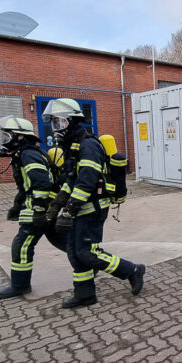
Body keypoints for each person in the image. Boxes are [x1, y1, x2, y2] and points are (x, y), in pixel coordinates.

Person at [43, 98, 145, 308]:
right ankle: (84, 294)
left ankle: (132, 270)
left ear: (71, 121)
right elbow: (70, 180)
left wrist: (69, 210)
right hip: (80, 208)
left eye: (59, 123)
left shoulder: (88, 145)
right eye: (53, 123)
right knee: (74, 252)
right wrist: (56, 204)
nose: (56, 128)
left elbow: (87, 182)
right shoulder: (72, 146)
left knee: (87, 252)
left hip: (92, 208)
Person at [0, 116, 54, 299]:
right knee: (66, 242)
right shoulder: (24, 154)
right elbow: (26, 185)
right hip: (45, 207)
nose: (5, 140)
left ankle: (19, 285)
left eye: (7, 136)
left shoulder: (28, 155)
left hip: (42, 207)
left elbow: (42, 184)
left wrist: (38, 211)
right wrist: (18, 205)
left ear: (19, 137)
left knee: (21, 245)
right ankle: (89, 262)